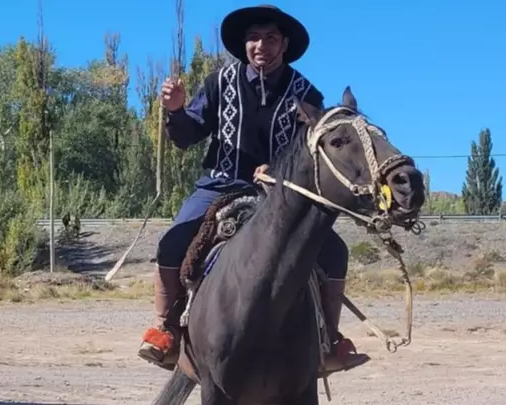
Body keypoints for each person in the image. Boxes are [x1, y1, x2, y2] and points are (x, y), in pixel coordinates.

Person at [137, 4, 370, 376]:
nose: (262, 45)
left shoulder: (306, 93)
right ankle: (167, 329)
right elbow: (188, 134)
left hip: (282, 193)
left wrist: (275, 172)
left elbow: (313, 152)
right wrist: (177, 111)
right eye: (254, 37)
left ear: (285, 44)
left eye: (271, 38)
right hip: (219, 185)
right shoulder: (219, 82)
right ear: (244, 43)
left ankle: (328, 341)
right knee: (172, 242)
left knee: (334, 251)